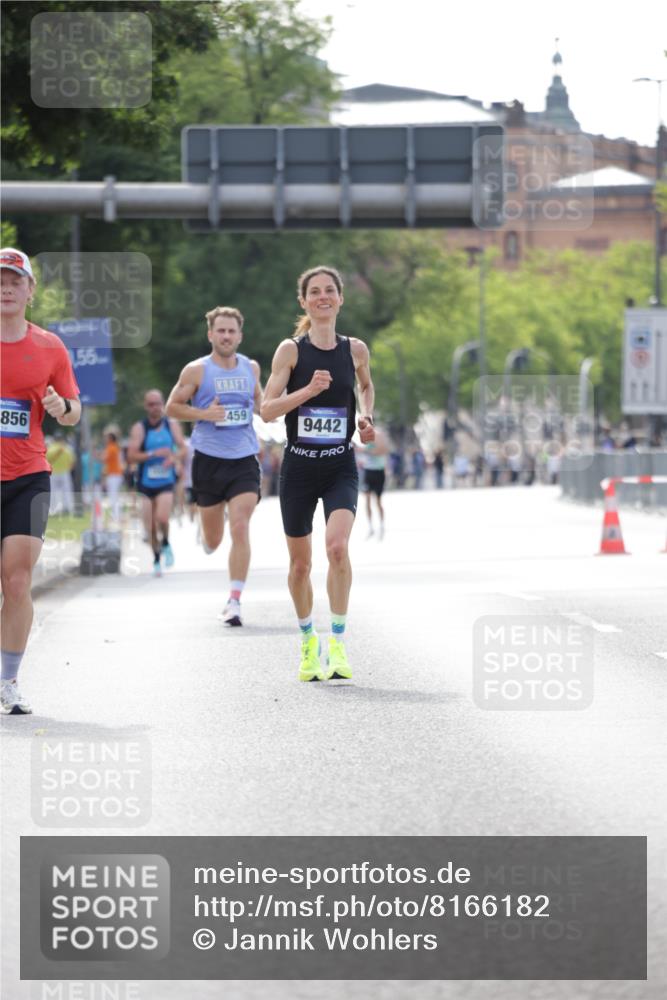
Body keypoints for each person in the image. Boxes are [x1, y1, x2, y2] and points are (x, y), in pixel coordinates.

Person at [260, 265, 375, 682]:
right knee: (300, 567)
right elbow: (267, 410)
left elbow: (365, 386)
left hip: (340, 464)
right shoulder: (290, 352)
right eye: (315, 292)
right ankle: (309, 641)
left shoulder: (355, 349)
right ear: (304, 301)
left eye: (330, 291)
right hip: (299, 467)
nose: (323, 297)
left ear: (341, 299)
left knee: (338, 548)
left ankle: (338, 644)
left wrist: (366, 417)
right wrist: (308, 391)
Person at [0, 247, 81, 715]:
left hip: (29, 475)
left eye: (15, 280)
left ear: (30, 290)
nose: (6, 287)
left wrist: (60, 408)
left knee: (16, 580)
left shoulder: (50, 347)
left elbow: (74, 411)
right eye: (0, 280)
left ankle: (9, 681)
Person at [165, 306, 263, 625]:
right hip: (208, 460)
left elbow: (263, 405)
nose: (226, 336)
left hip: (244, 458)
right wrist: (205, 414)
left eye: (231, 331)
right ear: (210, 335)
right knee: (214, 540)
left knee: (240, 525)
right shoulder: (196, 371)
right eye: (220, 330)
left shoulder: (251, 368)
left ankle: (234, 600)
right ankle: (207, 532)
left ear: (240, 336)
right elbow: (172, 408)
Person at [127, 390, 186, 577]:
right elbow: (131, 455)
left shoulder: (172, 425)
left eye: (158, 403)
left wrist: (173, 458)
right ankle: (156, 558)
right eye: (151, 404)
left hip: (166, 480)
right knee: (150, 526)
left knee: (162, 518)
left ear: (163, 404)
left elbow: (184, 448)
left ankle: (166, 543)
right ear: (146, 406)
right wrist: (152, 454)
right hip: (145, 481)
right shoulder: (140, 428)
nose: (155, 407)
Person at [361, 424, 389, 539]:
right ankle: (371, 527)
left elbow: (383, 450)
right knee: (366, 500)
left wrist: (367, 451)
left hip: (379, 471)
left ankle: (381, 525)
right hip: (368, 470)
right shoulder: (362, 435)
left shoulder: (379, 434)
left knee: (377, 501)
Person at [45, 433, 75, 514]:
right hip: (65, 472)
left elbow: (46, 460)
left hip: (53, 473)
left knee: (53, 492)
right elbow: (72, 462)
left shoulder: (50, 448)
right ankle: (67, 508)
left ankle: (52, 509)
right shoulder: (68, 448)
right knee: (67, 491)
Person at [102, 429, 124, 523]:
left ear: (110, 438)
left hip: (114, 474)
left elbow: (104, 459)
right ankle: (117, 515)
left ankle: (116, 515)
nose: (105, 439)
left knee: (113, 496)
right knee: (114, 496)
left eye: (106, 437)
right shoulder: (114, 447)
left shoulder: (111, 447)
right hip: (115, 474)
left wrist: (96, 455)